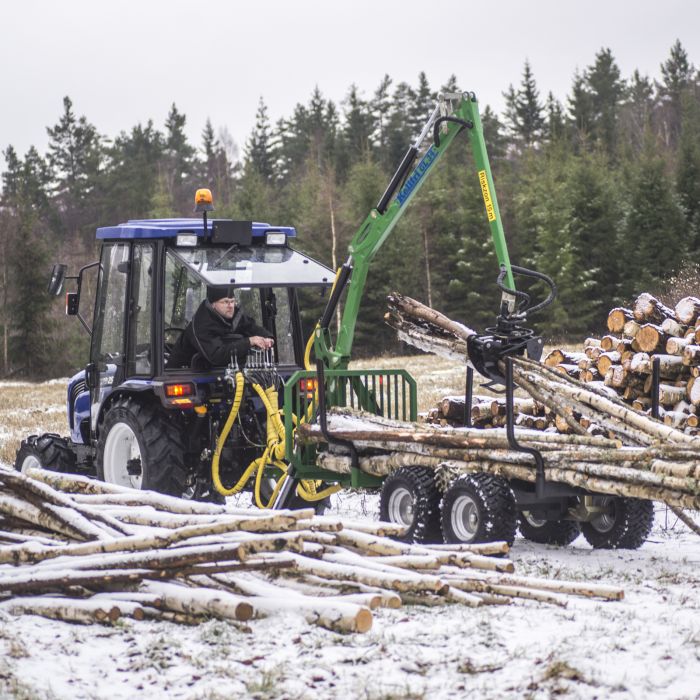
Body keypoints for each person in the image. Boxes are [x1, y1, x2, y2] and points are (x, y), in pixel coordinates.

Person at [167, 286, 274, 369]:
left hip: (227, 369)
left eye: (232, 301)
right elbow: (216, 355)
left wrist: (267, 338)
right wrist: (249, 342)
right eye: (225, 302)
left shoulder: (234, 314)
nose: (231, 306)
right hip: (187, 373)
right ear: (213, 304)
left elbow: (250, 327)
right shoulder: (201, 324)